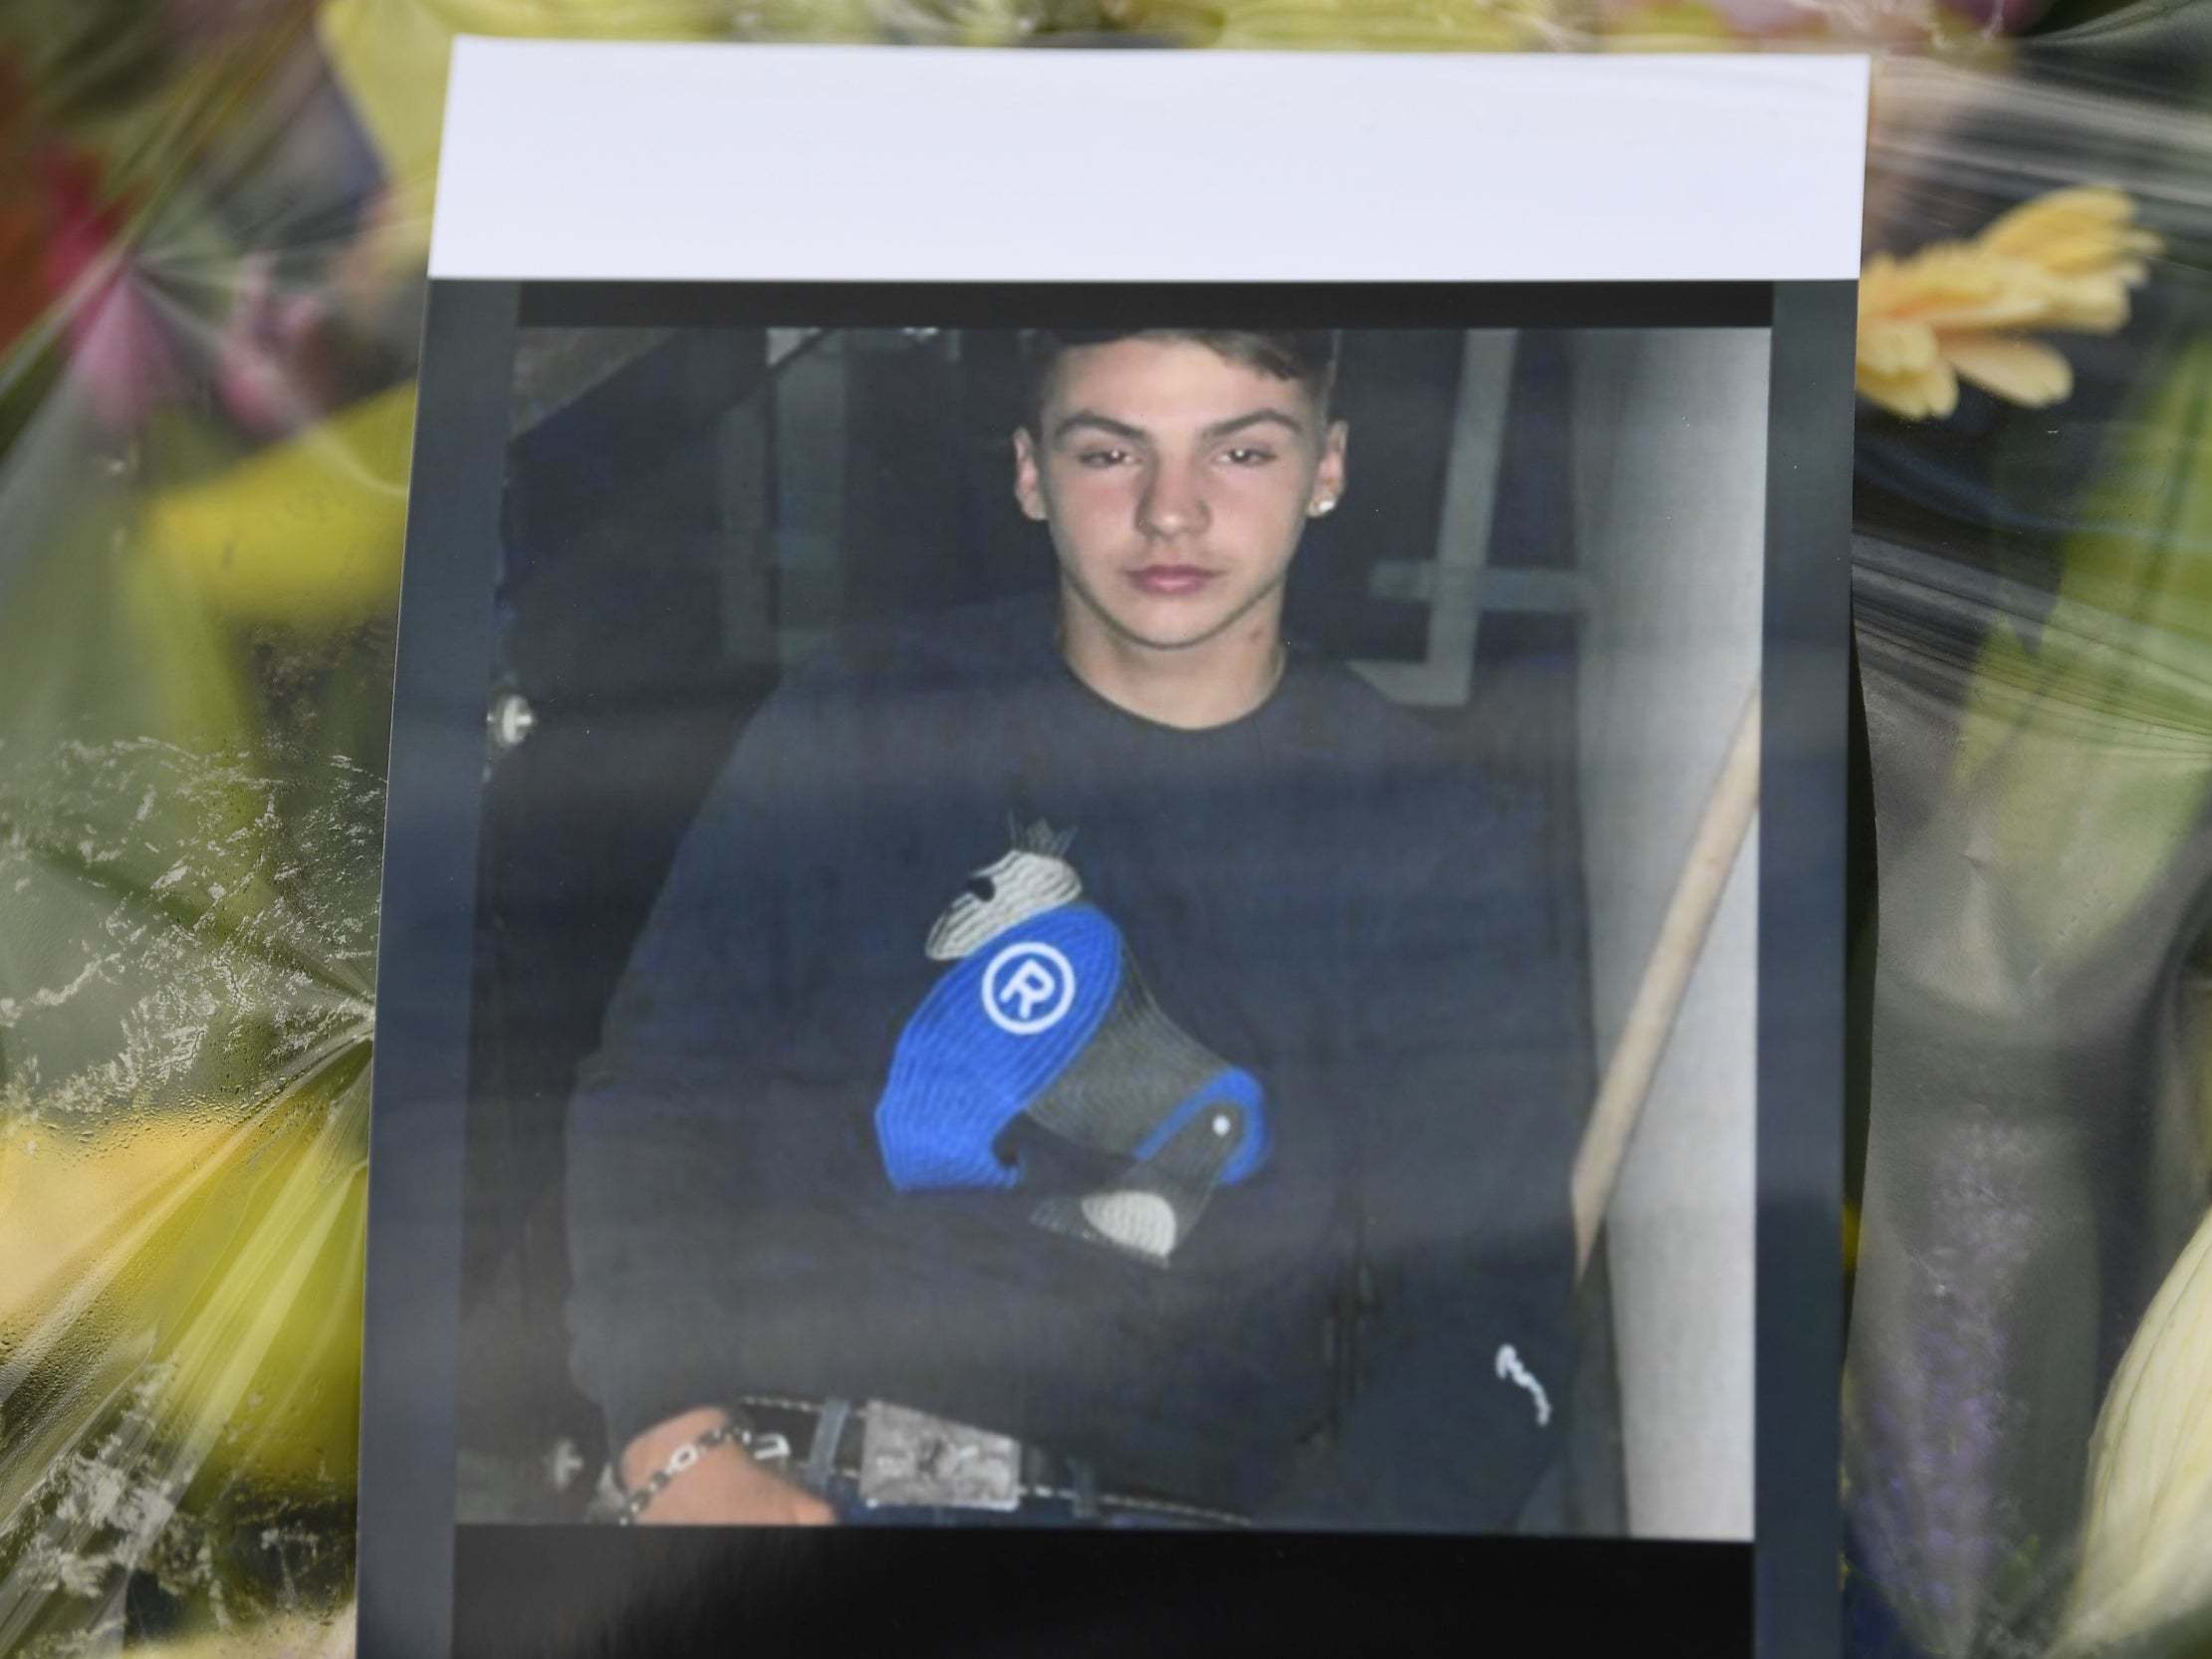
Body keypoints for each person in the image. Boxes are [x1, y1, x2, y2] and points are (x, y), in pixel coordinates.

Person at [564, 327, 1584, 1531]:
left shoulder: (1438, 840)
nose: (1171, 513)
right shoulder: (865, 716)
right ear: (1030, 472)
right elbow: (662, 1088)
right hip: (786, 1470)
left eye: (1241, 451)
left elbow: (1489, 1306)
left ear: (1328, 467)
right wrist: (673, 1441)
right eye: (1110, 452)